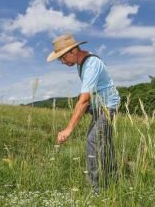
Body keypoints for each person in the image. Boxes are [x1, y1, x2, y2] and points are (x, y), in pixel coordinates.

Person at [47, 34, 120, 194]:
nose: (62, 62)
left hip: (108, 107)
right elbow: (92, 91)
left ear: (71, 52)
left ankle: (97, 191)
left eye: (62, 58)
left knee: (92, 142)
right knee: (104, 144)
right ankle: (113, 181)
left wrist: (68, 129)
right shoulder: (81, 63)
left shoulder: (91, 64)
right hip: (100, 107)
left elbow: (84, 100)